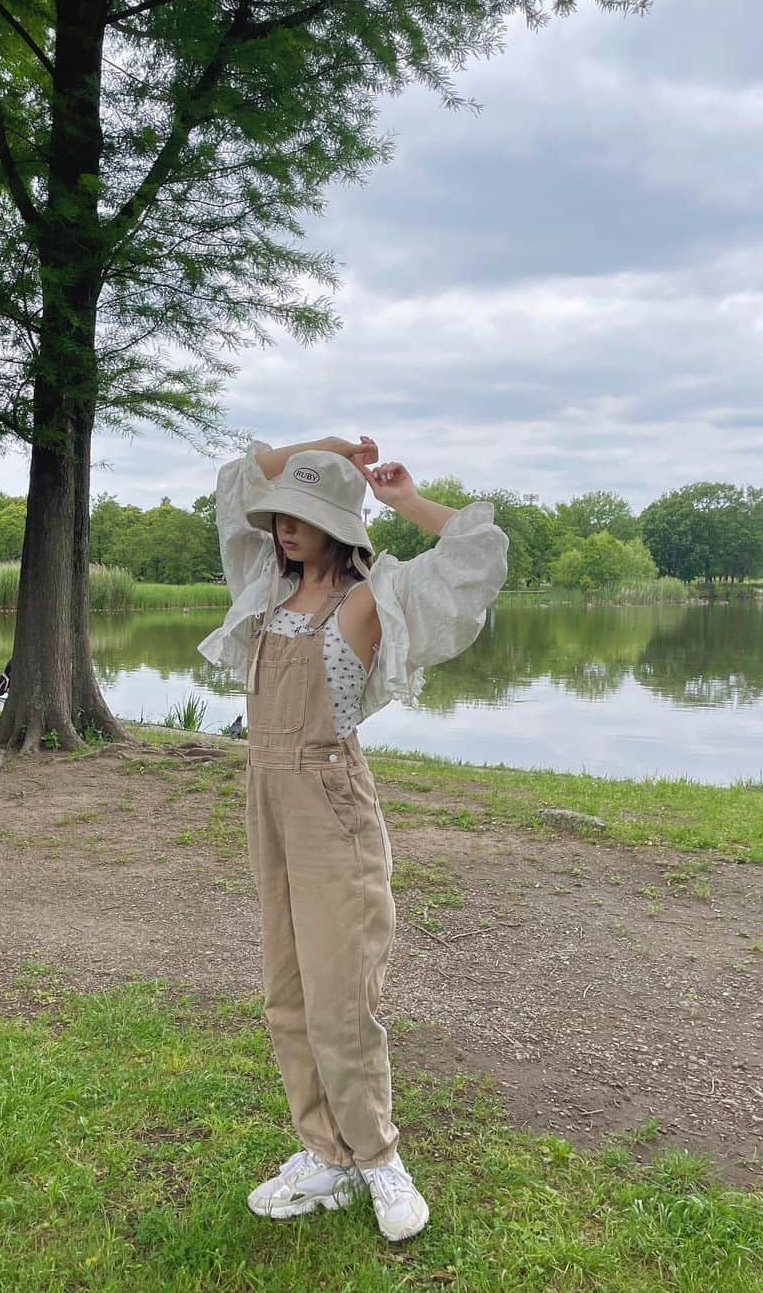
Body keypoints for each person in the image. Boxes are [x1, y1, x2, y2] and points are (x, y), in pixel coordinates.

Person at [198, 435, 509, 1244]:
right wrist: (329, 448)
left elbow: (476, 549)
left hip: (331, 803)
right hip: (265, 797)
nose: (283, 529)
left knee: (343, 993)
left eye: (304, 516)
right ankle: (324, 1153)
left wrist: (403, 498)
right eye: (281, 517)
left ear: (340, 527)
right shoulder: (262, 591)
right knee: (289, 993)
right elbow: (243, 472)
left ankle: (378, 1158)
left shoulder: (369, 603)